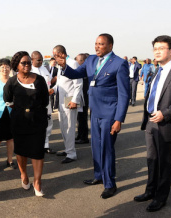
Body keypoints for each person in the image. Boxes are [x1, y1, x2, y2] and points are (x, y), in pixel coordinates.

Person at [55, 33, 130, 199]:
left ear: (110, 46)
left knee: (107, 148)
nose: (97, 47)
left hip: (110, 113)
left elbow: (124, 94)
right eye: (96, 44)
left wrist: (119, 119)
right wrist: (64, 66)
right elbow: (75, 74)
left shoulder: (119, 63)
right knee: (95, 146)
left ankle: (110, 183)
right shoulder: (90, 61)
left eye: (101, 44)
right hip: (94, 111)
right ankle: (98, 175)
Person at [134, 35, 171, 212]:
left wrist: (165, 113)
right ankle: (150, 191)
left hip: (167, 123)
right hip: (150, 122)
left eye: (161, 48)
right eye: (155, 48)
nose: (157, 51)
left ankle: (161, 197)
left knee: (165, 163)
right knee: (152, 160)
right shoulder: (157, 70)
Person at [3, 51, 49, 196]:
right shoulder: (12, 82)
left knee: (37, 152)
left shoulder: (40, 80)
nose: (27, 65)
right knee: (21, 152)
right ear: (16, 65)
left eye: (29, 62)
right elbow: (7, 99)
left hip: (37, 121)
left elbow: (45, 101)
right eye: (24, 63)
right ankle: (24, 175)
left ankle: (37, 182)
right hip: (19, 122)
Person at [50, 45, 83, 164]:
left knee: (69, 126)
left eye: (56, 55)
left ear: (62, 54)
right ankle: (67, 148)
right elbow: (60, 83)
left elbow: (78, 84)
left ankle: (71, 154)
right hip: (61, 99)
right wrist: (53, 89)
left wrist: (75, 100)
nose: (54, 58)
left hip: (70, 99)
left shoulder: (72, 63)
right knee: (63, 126)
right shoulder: (61, 65)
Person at [31, 51, 56, 154]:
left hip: (46, 101)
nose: (41, 62)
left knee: (48, 123)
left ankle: (46, 145)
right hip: (35, 103)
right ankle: (34, 145)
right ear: (32, 60)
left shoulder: (44, 69)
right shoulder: (30, 71)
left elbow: (49, 82)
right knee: (35, 124)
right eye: (38, 60)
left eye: (41, 60)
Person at [75, 53, 89, 144]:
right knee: (79, 118)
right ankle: (80, 135)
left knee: (83, 118)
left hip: (84, 98)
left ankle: (84, 137)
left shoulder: (86, 71)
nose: (76, 62)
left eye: (78, 60)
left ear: (83, 61)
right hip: (80, 98)